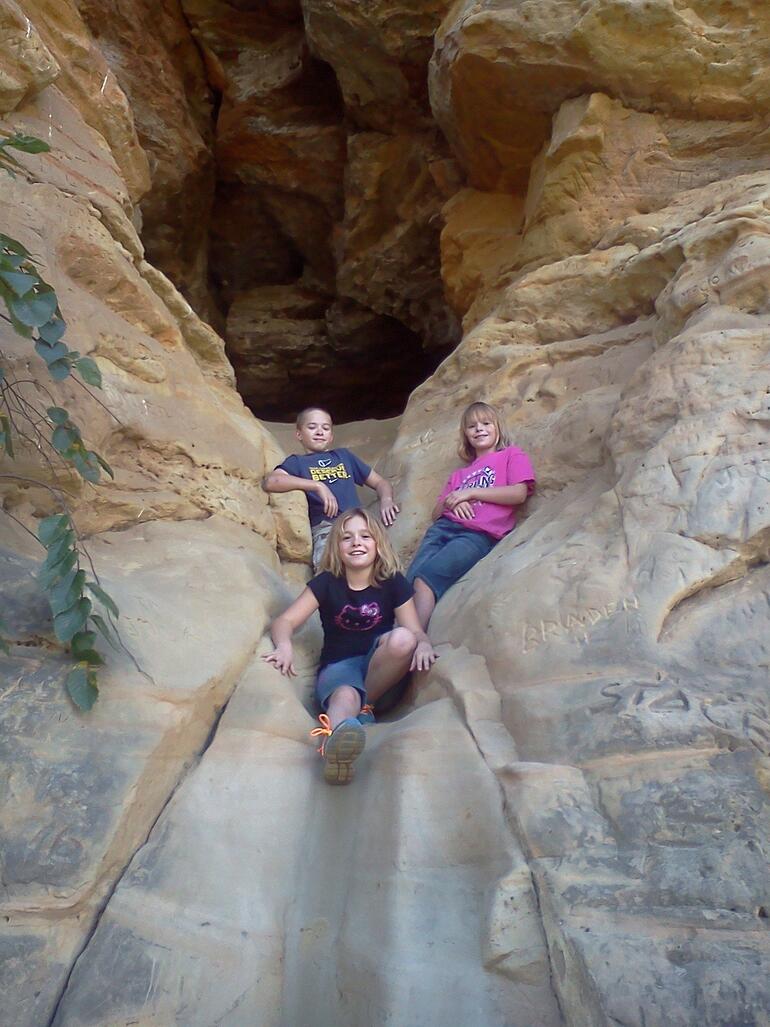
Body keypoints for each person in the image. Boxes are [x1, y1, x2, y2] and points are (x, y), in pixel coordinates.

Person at [262, 507, 437, 784]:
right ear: (336, 547)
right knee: (344, 698)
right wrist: (284, 646)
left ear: (378, 543)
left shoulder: (392, 583)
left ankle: (366, 706)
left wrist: (424, 644)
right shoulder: (326, 584)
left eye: (365, 536)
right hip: (339, 668)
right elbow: (284, 620)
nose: (357, 542)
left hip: (381, 671)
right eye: (347, 538)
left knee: (405, 638)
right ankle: (335, 744)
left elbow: (415, 630)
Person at [407, 401, 535, 629]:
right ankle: (389, 645)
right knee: (408, 586)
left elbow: (519, 493)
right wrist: (453, 500)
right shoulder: (459, 474)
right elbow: (436, 514)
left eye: (486, 423)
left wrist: (471, 492)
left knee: (426, 577)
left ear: (498, 428)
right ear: (466, 434)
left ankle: (415, 639)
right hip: (442, 529)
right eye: (472, 426)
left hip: (477, 534)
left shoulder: (510, 455)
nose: (479, 429)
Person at [263, 406, 399, 571]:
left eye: (325, 428)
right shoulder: (297, 462)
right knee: (329, 571)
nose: (319, 432)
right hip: (327, 527)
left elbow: (380, 483)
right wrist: (317, 485)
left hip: (359, 525)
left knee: (383, 567)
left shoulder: (343, 456)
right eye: (312, 427)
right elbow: (272, 481)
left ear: (331, 436)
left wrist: (386, 500)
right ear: (299, 434)